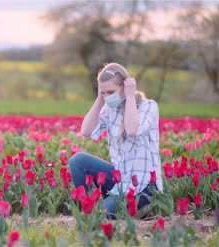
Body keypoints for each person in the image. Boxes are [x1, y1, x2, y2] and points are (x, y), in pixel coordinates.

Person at [70, 62, 163, 220]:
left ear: (125, 86)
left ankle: (141, 209)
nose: (108, 97)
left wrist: (130, 97)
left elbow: (132, 130)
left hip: (144, 186)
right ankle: (89, 207)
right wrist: (100, 100)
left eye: (111, 92)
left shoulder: (149, 107)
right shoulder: (109, 109)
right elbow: (86, 131)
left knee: (99, 218)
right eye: (104, 92)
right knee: (77, 160)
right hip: (120, 180)